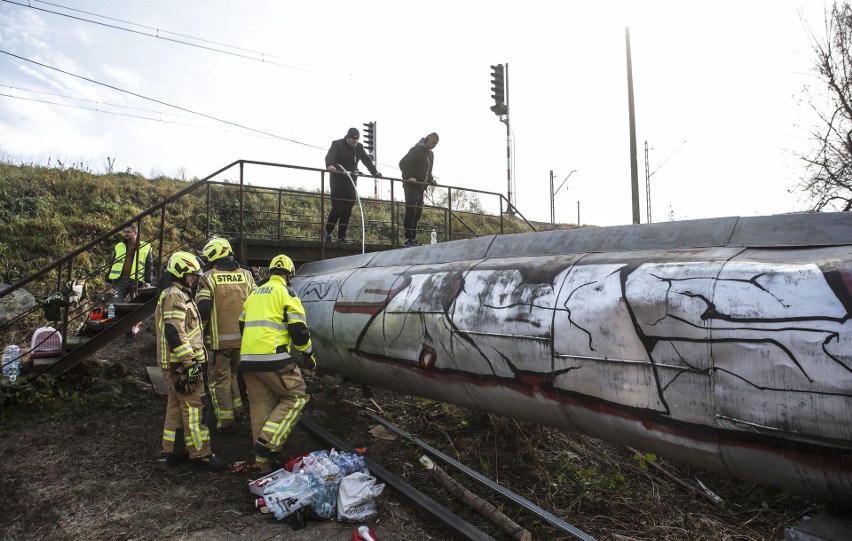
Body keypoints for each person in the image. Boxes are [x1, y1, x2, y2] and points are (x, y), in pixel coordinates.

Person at [239, 254, 316, 474]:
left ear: (270, 271)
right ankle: (268, 445)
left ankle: (263, 466)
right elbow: (299, 330)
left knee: (260, 409)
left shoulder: (253, 294)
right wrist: (308, 354)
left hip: (248, 359)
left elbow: (242, 324)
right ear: (289, 274)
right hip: (274, 358)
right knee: (297, 396)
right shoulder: (287, 293)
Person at [156, 251, 228, 471]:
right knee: (195, 407)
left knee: (177, 408)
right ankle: (201, 454)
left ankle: (175, 451)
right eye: (191, 275)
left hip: (176, 364)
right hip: (183, 365)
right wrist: (191, 363)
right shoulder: (176, 296)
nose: (194, 278)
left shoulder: (176, 294)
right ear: (179, 272)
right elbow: (174, 332)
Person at [196, 237, 256, 432]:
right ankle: (238, 412)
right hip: (243, 340)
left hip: (217, 342)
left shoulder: (208, 277)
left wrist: (198, 335)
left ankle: (225, 423)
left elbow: (203, 310)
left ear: (214, 254)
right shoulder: (247, 276)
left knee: (218, 382)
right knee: (233, 376)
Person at [324, 127, 381, 243]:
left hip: (351, 183)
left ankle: (341, 237)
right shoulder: (337, 144)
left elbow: (367, 160)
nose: (355, 142)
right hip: (338, 182)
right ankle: (328, 232)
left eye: (357, 140)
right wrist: (330, 165)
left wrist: (374, 172)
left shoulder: (359, 148)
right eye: (353, 139)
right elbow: (329, 156)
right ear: (348, 137)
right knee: (337, 209)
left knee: (347, 210)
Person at [106, 223, 152, 339]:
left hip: (137, 281)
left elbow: (149, 265)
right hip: (120, 280)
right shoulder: (119, 246)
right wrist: (108, 280)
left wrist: (148, 281)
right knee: (115, 303)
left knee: (136, 307)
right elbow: (112, 263)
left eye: (128, 232)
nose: (125, 234)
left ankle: (131, 332)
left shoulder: (146, 247)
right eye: (125, 232)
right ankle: (110, 326)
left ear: (135, 233)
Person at [399, 132, 439, 246]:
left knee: (418, 213)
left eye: (436, 144)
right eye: (433, 142)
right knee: (411, 210)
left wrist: (431, 179)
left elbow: (428, 171)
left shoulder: (431, 154)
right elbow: (402, 163)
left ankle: (413, 237)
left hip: (421, 186)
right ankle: (408, 239)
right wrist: (410, 176)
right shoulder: (416, 150)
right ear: (427, 140)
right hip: (411, 185)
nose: (434, 145)